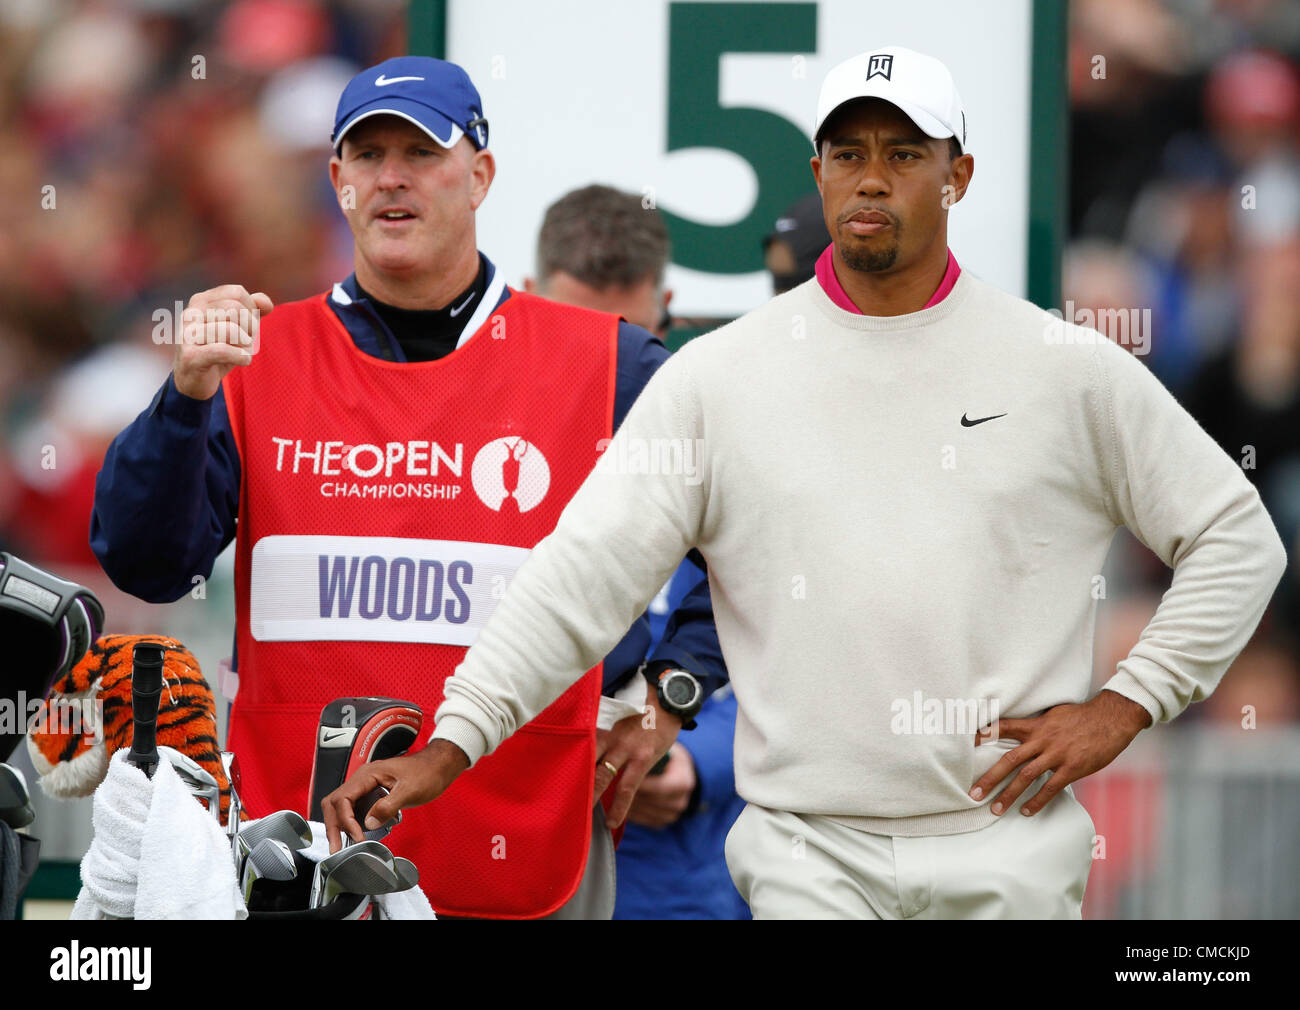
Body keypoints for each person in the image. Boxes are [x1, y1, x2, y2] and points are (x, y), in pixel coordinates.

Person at [322, 45, 1288, 919]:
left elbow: (1236, 539)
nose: (873, 178)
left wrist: (1126, 707)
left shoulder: (1064, 367)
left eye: (906, 154)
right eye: (849, 152)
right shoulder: (716, 378)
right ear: (818, 171)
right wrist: (452, 744)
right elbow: (577, 581)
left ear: (960, 175)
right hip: (803, 856)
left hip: (1012, 853)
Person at [89, 56, 725, 920]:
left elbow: (752, 532)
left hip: (527, 847)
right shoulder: (256, 359)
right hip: (298, 857)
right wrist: (185, 396)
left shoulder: (607, 361)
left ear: (480, 176)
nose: (392, 176)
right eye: (366, 153)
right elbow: (145, 563)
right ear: (337, 181)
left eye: (422, 153)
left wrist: (670, 697)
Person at [526, 184, 748, 919]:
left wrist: (694, 756)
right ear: (525, 301)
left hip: (676, 878)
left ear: (669, 309)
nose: (609, 365)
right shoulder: (489, 466)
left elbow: (791, 626)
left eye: (631, 336)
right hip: (509, 852)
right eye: (580, 331)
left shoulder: (713, 457)